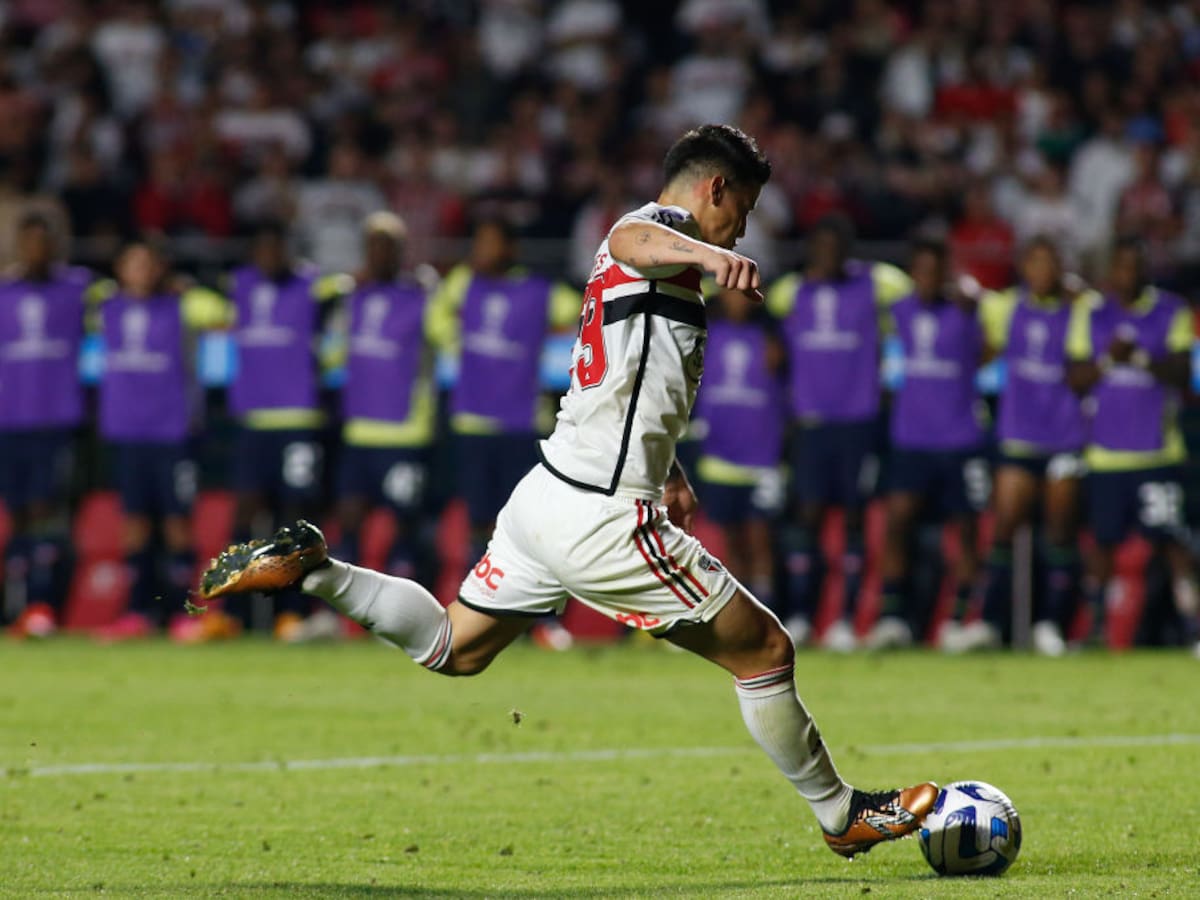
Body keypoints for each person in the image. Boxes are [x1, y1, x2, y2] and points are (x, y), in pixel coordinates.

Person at [198, 124, 937, 858]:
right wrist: (713, 253)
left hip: (546, 495)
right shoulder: (657, 232)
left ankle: (315, 570)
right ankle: (841, 815)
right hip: (603, 517)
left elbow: (632, 375)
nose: (741, 229)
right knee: (766, 650)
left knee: (456, 648)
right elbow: (631, 238)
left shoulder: (657, 261)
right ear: (714, 189)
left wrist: (667, 465)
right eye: (740, 210)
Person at [425, 217, 580, 650]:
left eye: (492, 241)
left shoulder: (539, 291)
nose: (483, 251)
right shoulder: (462, 284)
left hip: (521, 422)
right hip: (472, 420)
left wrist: (557, 343)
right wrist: (457, 342)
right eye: (479, 241)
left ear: (510, 248)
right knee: (477, 521)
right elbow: (435, 318)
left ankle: (542, 620)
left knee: (528, 525)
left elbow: (584, 311)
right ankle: (480, 614)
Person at [766, 214, 912, 651]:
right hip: (810, 423)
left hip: (859, 419)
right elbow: (766, 332)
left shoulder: (875, 285)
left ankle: (846, 620)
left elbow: (921, 290)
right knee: (807, 518)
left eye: (836, 248)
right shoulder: (789, 293)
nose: (827, 256)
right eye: (820, 248)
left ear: (848, 252)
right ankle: (800, 615)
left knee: (852, 518)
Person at [1066, 239, 1198, 655]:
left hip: (1157, 451)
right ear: (1111, 271)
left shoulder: (1171, 310)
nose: (1129, 275)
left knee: (1173, 544)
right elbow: (1075, 378)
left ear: (1147, 270)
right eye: (1121, 267)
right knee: (1102, 544)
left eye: (1136, 267)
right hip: (1105, 453)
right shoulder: (1091, 312)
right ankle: (1095, 631)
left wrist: (1138, 358)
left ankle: (1195, 628)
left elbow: (1181, 373)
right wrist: (1108, 360)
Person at [311, 212, 436, 642]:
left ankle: (401, 623)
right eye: (373, 246)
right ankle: (337, 618)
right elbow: (325, 337)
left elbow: (450, 318)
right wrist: (344, 285)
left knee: (406, 529)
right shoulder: (350, 296)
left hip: (406, 430)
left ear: (401, 253)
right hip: (358, 428)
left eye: (388, 246)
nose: (379, 254)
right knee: (347, 525)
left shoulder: (423, 295)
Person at [92, 239, 226, 640]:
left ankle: (185, 614)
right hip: (126, 430)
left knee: (177, 524)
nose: (142, 271)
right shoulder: (105, 305)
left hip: (173, 431)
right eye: (133, 263)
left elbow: (224, 313)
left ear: (161, 267)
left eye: (148, 263)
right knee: (133, 524)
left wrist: (188, 286)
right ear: (120, 268)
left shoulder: (185, 305)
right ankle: (138, 613)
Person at [225, 222, 346, 639]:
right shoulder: (238, 285)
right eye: (262, 248)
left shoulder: (315, 286)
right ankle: (234, 614)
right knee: (245, 513)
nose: (270, 256)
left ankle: (293, 614)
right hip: (254, 419)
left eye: (278, 247)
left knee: (294, 520)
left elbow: (348, 290)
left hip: (300, 418)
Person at [969, 237, 1088, 655]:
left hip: (1065, 436)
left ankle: (1052, 626)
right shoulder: (1005, 308)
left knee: (1060, 534)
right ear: (1024, 268)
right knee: (1003, 529)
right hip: (1018, 436)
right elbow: (980, 341)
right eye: (1035, 262)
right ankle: (987, 623)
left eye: (1050, 262)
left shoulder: (1079, 309)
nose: (1042, 270)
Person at [870, 239, 990, 651]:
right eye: (920, 269)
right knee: (898, 523)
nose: (928, 278)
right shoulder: (897, 311)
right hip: (911, 438)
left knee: (969, 531)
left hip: (961, 438)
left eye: (935, 270)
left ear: (945, 274)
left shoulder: (967, 311)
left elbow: (989, 353)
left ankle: (960, 622)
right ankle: (891, 618)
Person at [0, 214, 88, 637]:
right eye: (28, 243)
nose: (36, 251)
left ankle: (45, 605)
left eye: (43, 243)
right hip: (9, 419)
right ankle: (17, 607)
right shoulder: (4, 292)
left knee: (46, 513)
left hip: (55, 420)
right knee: (15, 515)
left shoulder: (78, 289)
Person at [692, 284, 786, 613]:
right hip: (719, 456)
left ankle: (769, 613)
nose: (737, 301)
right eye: (731, 294)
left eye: (744, 295)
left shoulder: (772, 341)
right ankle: (743, 613)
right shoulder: (707, 336)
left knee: (761, 539)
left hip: (761, 458)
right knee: (731, 542)